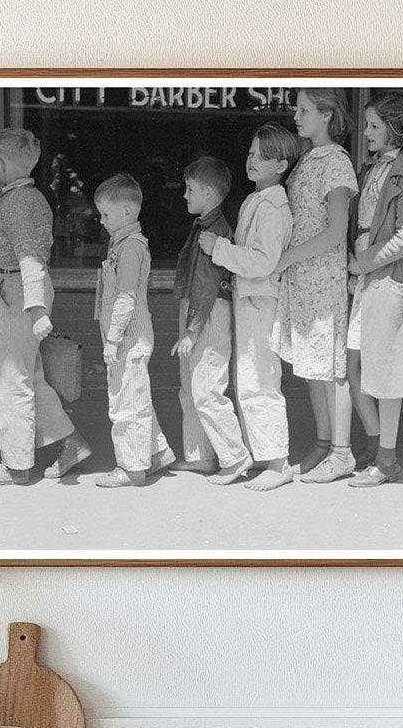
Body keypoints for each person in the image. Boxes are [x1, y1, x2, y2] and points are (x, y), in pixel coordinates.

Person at [0, 128, 91, 486]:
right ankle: (71, 442)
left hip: (19, 291)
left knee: (9, 381)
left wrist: (36, 308)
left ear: (1, 162)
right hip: (19, 289)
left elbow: (29, 257)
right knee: (30, 376)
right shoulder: (31, 198)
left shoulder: (18, 203)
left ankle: (17, 466)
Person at [199, 124, 299, 491]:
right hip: (250, 298)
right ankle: (266, 454)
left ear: (282, 165)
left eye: (263, 156)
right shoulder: (258, 199)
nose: (252, 160)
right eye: (252, 153)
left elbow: (262, 261)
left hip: (260, 300)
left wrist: (220, 249)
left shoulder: (273, 206)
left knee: (260, 380)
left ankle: (279, 462)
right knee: (250, 379)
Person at [272, 88, 359, 483]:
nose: (296, 116)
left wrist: (289, 256)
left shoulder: (337, 163)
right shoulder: (307, 160)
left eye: (304, 109)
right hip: (303, 280)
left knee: (332, 368)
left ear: (327, 114)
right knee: (312, 367)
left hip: (322, 279)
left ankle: (342, 452)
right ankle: (323, 445)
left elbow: (336, 231)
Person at [346, 91, 403, 487]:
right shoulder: (373, 168)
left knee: (387, 370)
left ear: (396, 128)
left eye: (375, 125)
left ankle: (386, 458)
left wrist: (362, 260)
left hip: (388, 277)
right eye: (367, 124)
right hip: (367, 278)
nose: (367, 132)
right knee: (353, 362)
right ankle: (378, 445)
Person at [171, 156, 252, 486]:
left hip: (209, 313)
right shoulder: (203, 226)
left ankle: (235, 456)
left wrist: (192, 329)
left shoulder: (215, 232)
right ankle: (200, 454)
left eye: (190, 190)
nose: (185, 196)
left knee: (206, 388)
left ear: (207, 192)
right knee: (189, 388)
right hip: (196, 308)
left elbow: (207, 284)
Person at [92, 173, 175, 488]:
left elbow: (126, 298)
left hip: (128, 335)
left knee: (127, 400)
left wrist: (112, 339)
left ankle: (132, 468)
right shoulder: (122, 243)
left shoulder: (130, 248)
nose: (101, 220)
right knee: (134, 393)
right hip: (125, 334)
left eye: (106, 214)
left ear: (126, 213)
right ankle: (156, 453)